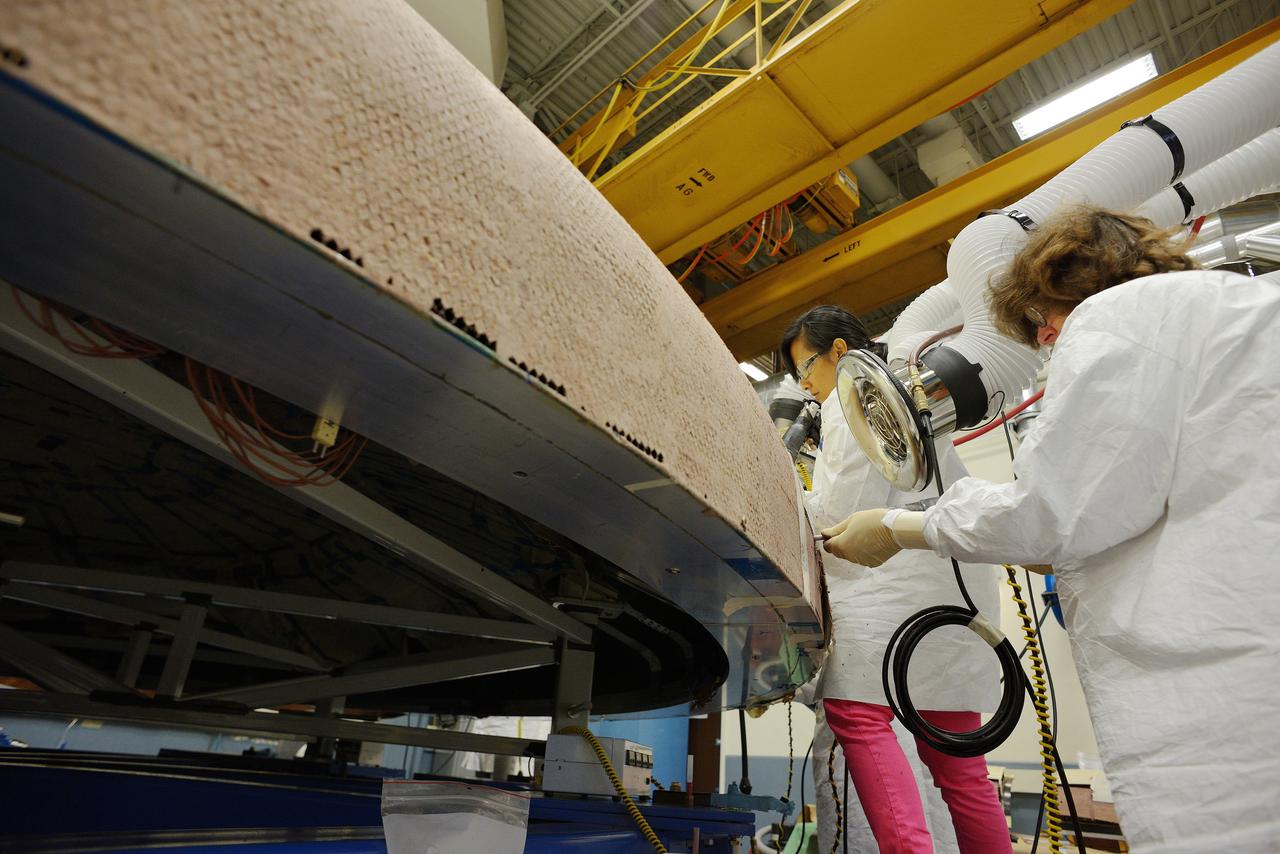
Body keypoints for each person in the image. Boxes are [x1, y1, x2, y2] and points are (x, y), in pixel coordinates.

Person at [821, 206, 1280, 853]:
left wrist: (896, 527)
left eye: (1039, 321)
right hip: (1243, 657)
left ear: (1065, 285)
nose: (1040, 342)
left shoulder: (1118, 323)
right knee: (962, 774)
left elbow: (1049, 513)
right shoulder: (1238, 306)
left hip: (1227, 704)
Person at [782, 306, 1011, 854]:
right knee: (959, 766)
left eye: (806, 367)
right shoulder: (911, 399)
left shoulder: (849, 396)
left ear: (839, 352)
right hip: (954, 596)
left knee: (855, 714)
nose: (806, 385)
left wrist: (788, 484)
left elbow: (840, 515)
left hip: (887, 597)